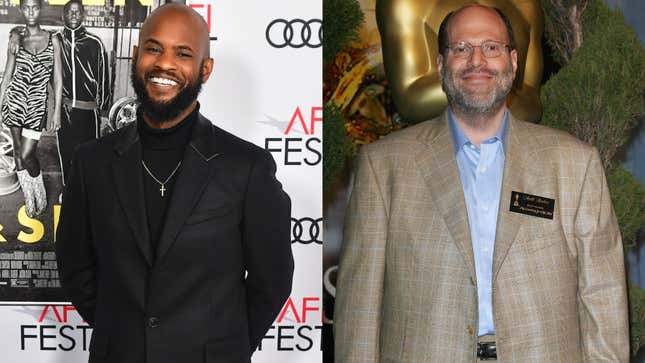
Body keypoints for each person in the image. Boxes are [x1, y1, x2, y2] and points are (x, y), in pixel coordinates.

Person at [334, 5, 628, 362]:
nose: (477, 60)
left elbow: (602, 295)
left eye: (491, 47)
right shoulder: (383, 168)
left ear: (514, 62)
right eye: (461, 48)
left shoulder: (574, 164)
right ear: (441, 64)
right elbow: (360, 308)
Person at [55, 4, 293, 363]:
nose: (164, 64)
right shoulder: (92, 162)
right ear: (136, 57)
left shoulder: (246, 167)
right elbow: (75, 265)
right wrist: (122, 332)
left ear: (205, 69)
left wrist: (225, 347)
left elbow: (271, 280)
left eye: (183, 53)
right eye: (153, 49)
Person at [0, 0, 62, 217]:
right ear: (21, 10)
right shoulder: (16, 36)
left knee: (27, 154)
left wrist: (56, 112)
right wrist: (0, 103)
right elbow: (8, 74)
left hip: (36, 107)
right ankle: (29, 199)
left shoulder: (53, 38)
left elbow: (57, 78)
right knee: (17, 152)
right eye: (26, 8)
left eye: (35, 7)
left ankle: (40, 194)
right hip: (14, 103)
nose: (31, 12)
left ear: (40, 9)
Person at [55, 0, 111, 187]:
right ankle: (69, 190)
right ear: (63, 15)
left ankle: (88, 192)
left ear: (83, 15)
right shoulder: (55, 40)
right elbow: (28, 33)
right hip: (64, 110)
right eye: (69, 12)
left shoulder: (94, 43)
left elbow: (104, 78)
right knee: (66, 153)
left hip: (89, 113)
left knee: (89, 154)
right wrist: (14, 34)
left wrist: (103, 112)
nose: (73, 15)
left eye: (77, 11)